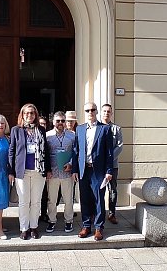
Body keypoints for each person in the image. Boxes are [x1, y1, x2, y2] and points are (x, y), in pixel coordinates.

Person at [8, 103, 52, 240]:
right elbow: (12, 151)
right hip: (22, 171)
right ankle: (24, 228)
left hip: (39, 171)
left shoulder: (41, 130)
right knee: (23, 201)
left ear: (35, 115)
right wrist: (10, 171)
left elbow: (46, 151)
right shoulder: (16, 130)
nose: (29, 115)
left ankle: (34, 227)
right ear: (22, 115)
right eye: (26, 113)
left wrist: (48, 169)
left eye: (32, 113)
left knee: (36, 201)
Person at [72, 102, 113, 241]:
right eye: (87, 110)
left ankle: (98, 228)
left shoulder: (105, 129)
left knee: (98, 199)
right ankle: (86, 226)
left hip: (98, 171)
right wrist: (75, 170)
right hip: (84, 170)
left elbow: (109, 153)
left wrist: (109, 171)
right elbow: (76, 151)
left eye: (93, 110)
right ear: (85, 112)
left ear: (96, 112)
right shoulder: (80, 129)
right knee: (84, 199)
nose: (90, 112)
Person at [45, 111, 75, 234]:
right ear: (53, 122)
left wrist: (71, 164)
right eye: (58, 121)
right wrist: (47, 170)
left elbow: (76, 152)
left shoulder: (72, 136)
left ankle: (69, 221)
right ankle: (52, 220)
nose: (61, 123)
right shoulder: (47, 136)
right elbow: (45, 154)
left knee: (68, 199)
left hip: (67, 172)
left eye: (63, 121)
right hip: (52, 172)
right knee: (52, 199)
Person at [101, 103, 123, 224]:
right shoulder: (97, 127)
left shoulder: (116, 129)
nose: (106, 113)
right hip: (98, 165)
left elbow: (119, 146)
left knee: (112, 190)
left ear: (111, 113)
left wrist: (109, 158)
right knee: (99, 189)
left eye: (108, 111)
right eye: (104, 111)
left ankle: (112, 213)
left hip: (112, 165)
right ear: (101, 112)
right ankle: (97, 212)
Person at [39, 115, 49, 223]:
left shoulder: (49, 136)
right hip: (36, 169)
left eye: (44, 124)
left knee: (45, 194)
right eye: (40, 123)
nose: (42, 125)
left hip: (46, 169)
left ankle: (44, 213)